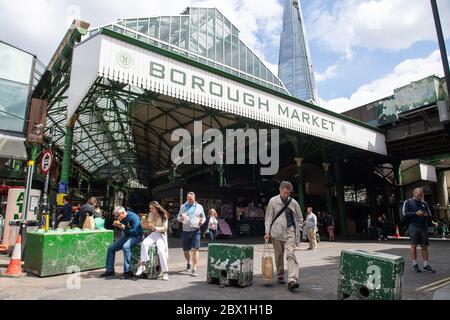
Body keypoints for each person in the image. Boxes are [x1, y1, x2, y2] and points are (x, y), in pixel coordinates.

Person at [264, 181, 303, 291]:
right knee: (278, 256)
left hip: (290, 233)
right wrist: (267, 233)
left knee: (291, 254)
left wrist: (297, 230)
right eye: (284, 192)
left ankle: (292, 280)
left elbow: (300, 218)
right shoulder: (273, 201)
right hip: (276, 233)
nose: (286, 195)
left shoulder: (294, 202)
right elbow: (268, 218)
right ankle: (280, 275)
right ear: (280, 190)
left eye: (288, 193)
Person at [100, 206, 143, 279]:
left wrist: (124, 228)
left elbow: (135, 232)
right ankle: (109, 270)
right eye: (115, 216)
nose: (117, 218)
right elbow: (125, 230)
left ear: (122, 213)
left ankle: (128, 271)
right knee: (111, 248)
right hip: (127, 236)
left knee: (125, 247)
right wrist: (118, 225)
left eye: (117, 216)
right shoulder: (122, 218)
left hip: (137, 237)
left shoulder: (133, 217)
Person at [402, 188, 436, 273]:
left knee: (424, 246)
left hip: (423, 227)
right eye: (419, 194)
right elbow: (404, 213)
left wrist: (426, 215)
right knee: (414, 245)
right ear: (414, 193)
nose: (420, 196)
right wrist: (415, 213)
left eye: (421, 195)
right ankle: (415, 265)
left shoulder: (424, 203)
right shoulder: (408, 202)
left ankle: (425, 265)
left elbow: (429, 214)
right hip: (413, 226)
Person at [136, 201, 170, 280]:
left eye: (152, 208)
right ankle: (142, 265)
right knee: (144, 243)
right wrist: (146, 225)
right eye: (150, 208)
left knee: (161, 251)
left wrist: (156, 228)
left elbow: (165, 228)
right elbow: (148, 225)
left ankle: (165, 272)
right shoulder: (150, 215)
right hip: (153, 234)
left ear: (156, 208)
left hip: (161, 235)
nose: (150, 210)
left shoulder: (164, 216)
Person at [177, 192, 206, 277]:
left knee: (196, 249)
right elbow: (178, 218)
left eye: (191, 199)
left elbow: (203, 217)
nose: (190, 200)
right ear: (187, 198)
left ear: (194, 198)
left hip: (196, 230)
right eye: (188, 199)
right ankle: (189, 262)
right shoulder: (183, 207)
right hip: (186, 231)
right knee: (186, 250)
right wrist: (181, 218)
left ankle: (194, 268)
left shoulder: (199, 207)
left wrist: (202, 221)